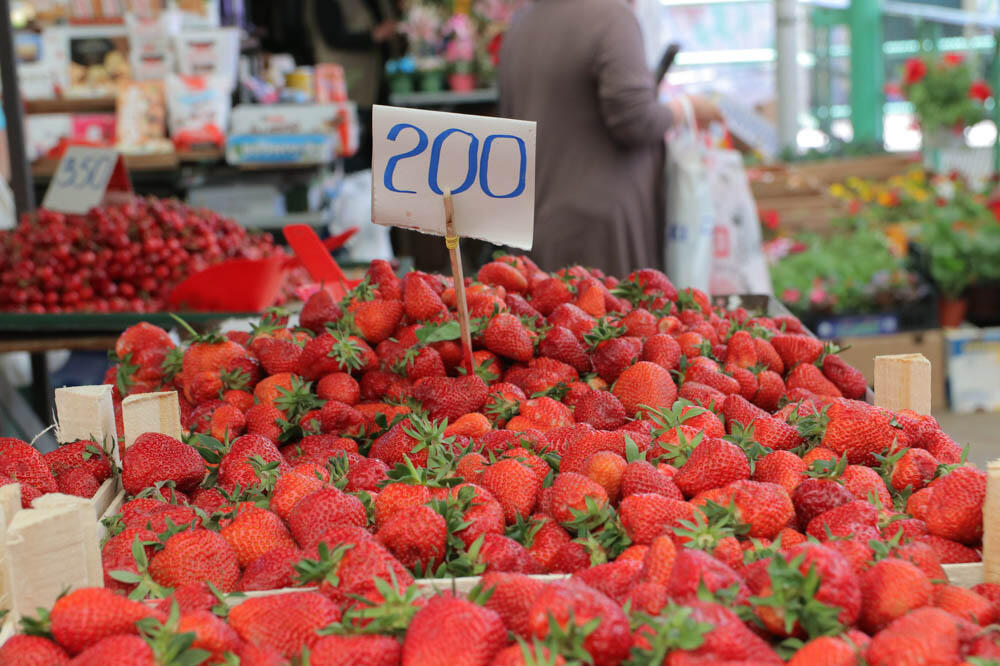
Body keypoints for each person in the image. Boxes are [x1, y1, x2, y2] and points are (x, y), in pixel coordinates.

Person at [498, 0, 720, 276]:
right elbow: (636, 121)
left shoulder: (521, 24)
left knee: (544, 317)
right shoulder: (612, 18)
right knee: (610, 318)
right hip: (601, 233)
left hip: (536, 221)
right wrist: (685, 109)